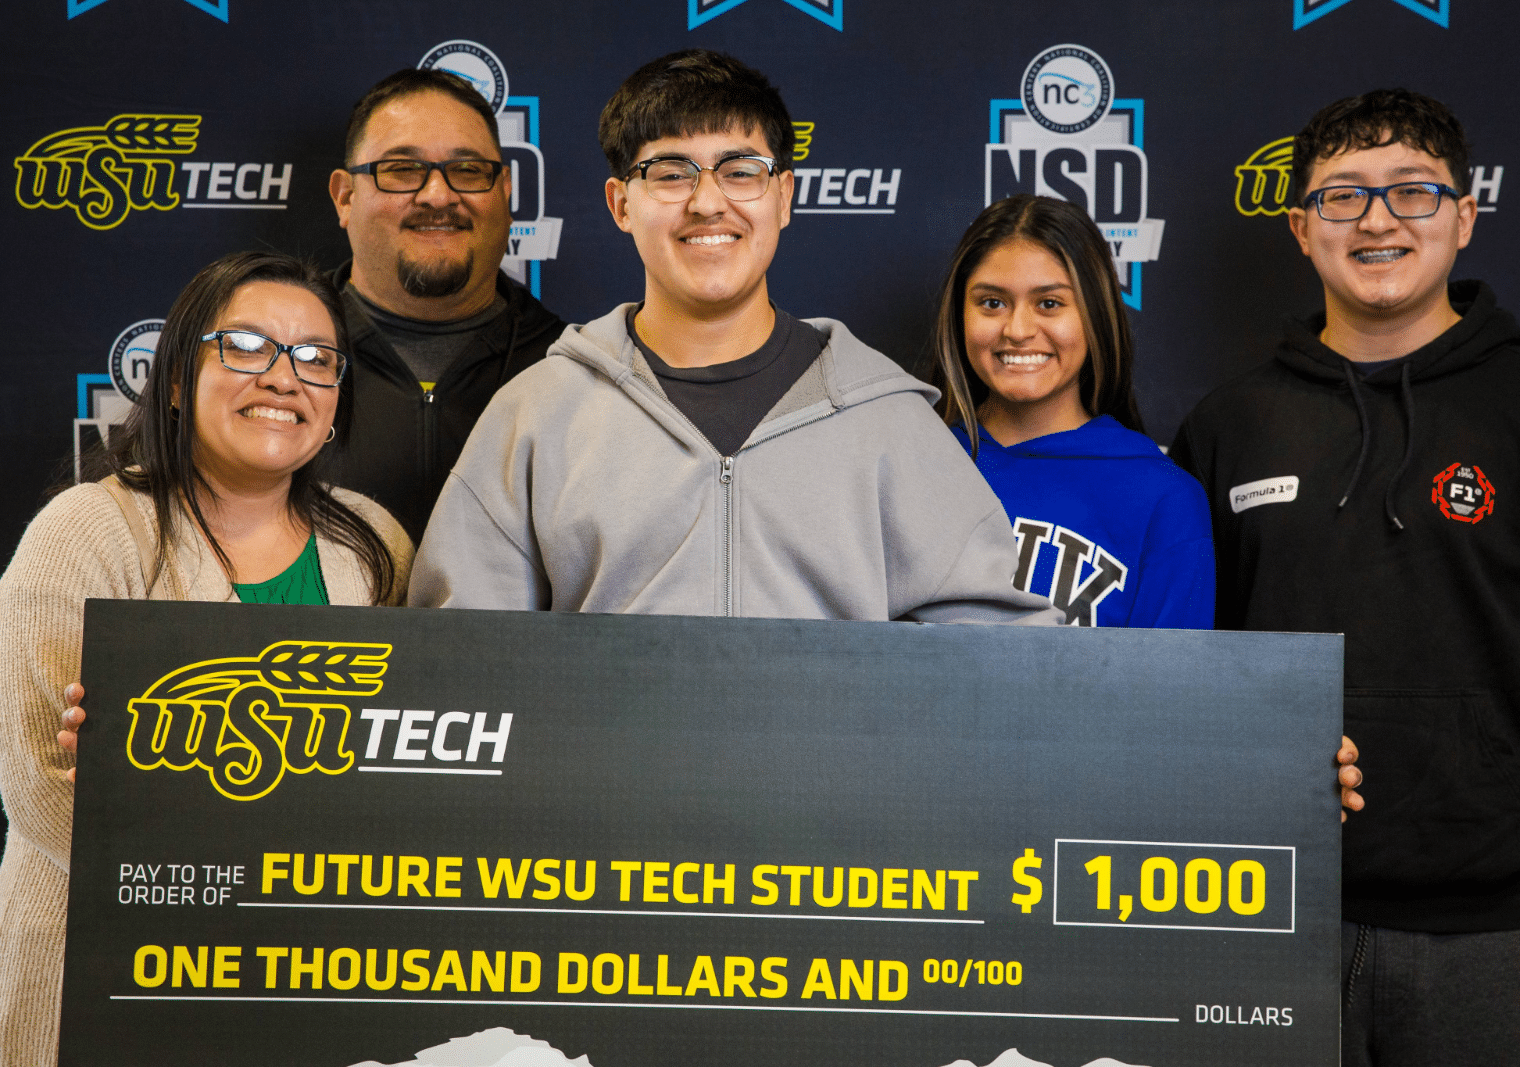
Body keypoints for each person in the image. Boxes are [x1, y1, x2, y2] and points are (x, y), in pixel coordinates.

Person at [1169, 88, 1520, 1065]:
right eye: (1342, 196)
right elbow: (1187, 673)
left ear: (1462, 215)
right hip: (1267, 907)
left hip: (1499, 921)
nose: (1375, 219)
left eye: (1410, 192)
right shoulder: (1229, 425)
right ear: (1298, 226)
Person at [407, 49, 1057, 624]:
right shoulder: (537, 415)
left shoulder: (887, 419)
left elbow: (997, 663)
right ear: (620, 203)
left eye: (740, 170)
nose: (707, 201)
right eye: (670, 172)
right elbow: (463, 662)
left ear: (784, 197)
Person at [0, 252, 413, 1065]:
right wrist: (222, 896)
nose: (284, 377)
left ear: (335, 402)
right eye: (248, 346)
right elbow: (36, 779)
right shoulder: (85, 529)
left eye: (314, 359)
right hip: (106, 963)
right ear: (180, 380)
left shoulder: (374, 544)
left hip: (312, 972)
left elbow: (398, 757)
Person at [928, 194, 1213, 630]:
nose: (1018, 330)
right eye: (991, 303)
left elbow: (1170, 694)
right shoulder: (913, 463)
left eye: (1049, 304)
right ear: (958, 314)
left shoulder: (1163, 498)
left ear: (1095, 314)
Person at [324, 68, 566, 541]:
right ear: (345, 197)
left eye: (468, 170)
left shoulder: (575, 369)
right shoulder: (263, 362)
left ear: (505, 193)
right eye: (402, 170)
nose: (438, 195)